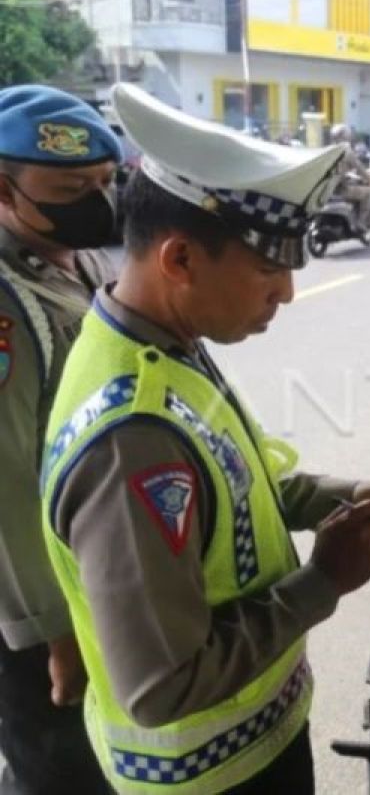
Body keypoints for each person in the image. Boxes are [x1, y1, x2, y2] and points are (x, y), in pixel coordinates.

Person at [39, 83, 370, 794]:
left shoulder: (160, 342)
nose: (285, 294)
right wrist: (323, 582)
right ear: (179, 260)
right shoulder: (133, 441)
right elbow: (159, 687)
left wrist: (343, 494)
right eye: (269, 270)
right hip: (211, 776)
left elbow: (236, 483)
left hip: (250, 747)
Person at [0, 84, 124, 795]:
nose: (96, 202)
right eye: (72, 187)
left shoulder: (82, 260)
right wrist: (53, 629)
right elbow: (10, 474)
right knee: (56, 769)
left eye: (104, 183)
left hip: (91, 576)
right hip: (35, 606)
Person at [329, 123, 370, 235]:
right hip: (341, 189)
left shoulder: (328, 150)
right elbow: (360, 169)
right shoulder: (347, 151)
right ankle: (361, 222)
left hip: (328, 190)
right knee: (369, 193)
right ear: (346, 136)